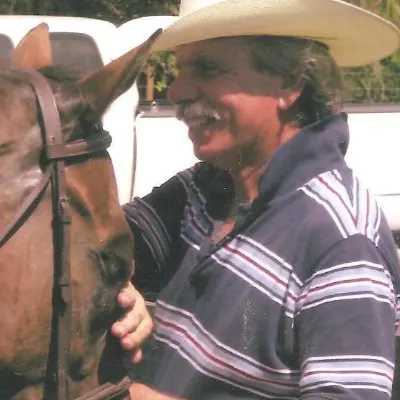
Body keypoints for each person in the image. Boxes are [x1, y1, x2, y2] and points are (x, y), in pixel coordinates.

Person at [118, 0, 400, 398]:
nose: (176, 90)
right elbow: (101, 245)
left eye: (208, 68)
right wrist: (118, 288)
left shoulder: (340, 242)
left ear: (289, 82)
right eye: (182, 68)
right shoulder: (205, 186)